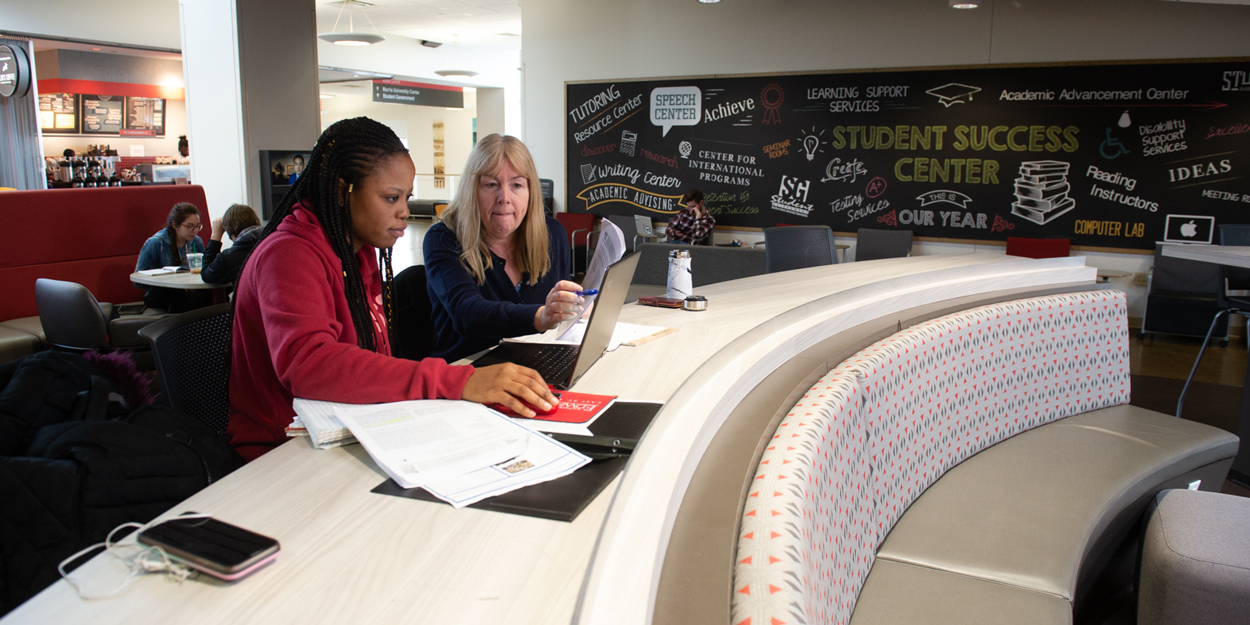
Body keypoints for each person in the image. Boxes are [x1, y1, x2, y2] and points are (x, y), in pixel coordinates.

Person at [227, 117, 559, 461]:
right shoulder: (288, 254)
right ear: (344, 191)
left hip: (353, 427)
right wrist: (456, 381)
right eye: (391, 198)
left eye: (406, 197)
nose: (404, 212)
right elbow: (311, 364)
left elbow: (370, 362)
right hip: (282, 451)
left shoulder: (359, 252)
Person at [424, 134, 583, 363]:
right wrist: (541, 316)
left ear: (531, 192)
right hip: (467, 372)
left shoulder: (553, 234)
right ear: (472, 191)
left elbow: (557, 324)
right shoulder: (444, 239)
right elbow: (466, 312)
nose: (504, 198)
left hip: (533, 365)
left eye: (517, 185)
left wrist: (572, 305)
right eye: (491, 185)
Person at [135, 202, 209, 312]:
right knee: (182, 296)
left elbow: (204, 269)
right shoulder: (157, 242)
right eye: (189, 226)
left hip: (190, 290)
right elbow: (138, 280)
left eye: (197, 226)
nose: (195, 231)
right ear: (175, 225)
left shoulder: (196, 242)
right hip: (162, 293)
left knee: (214, 292)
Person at [201, 203, 262, 286]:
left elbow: (207, 276)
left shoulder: (229, 257)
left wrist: (215, 237)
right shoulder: (270, 244)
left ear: (231, 234)